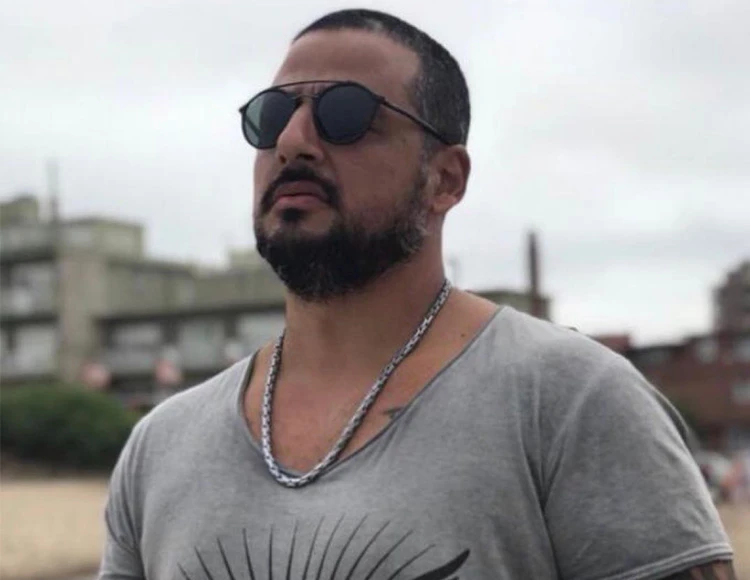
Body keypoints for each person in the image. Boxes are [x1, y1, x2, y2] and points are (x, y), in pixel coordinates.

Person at [99, 9, 736, 580]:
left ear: (445, 178)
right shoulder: (162, 446)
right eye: (272, 116)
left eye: (344, 114)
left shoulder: (570, 402)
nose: (292, 140)